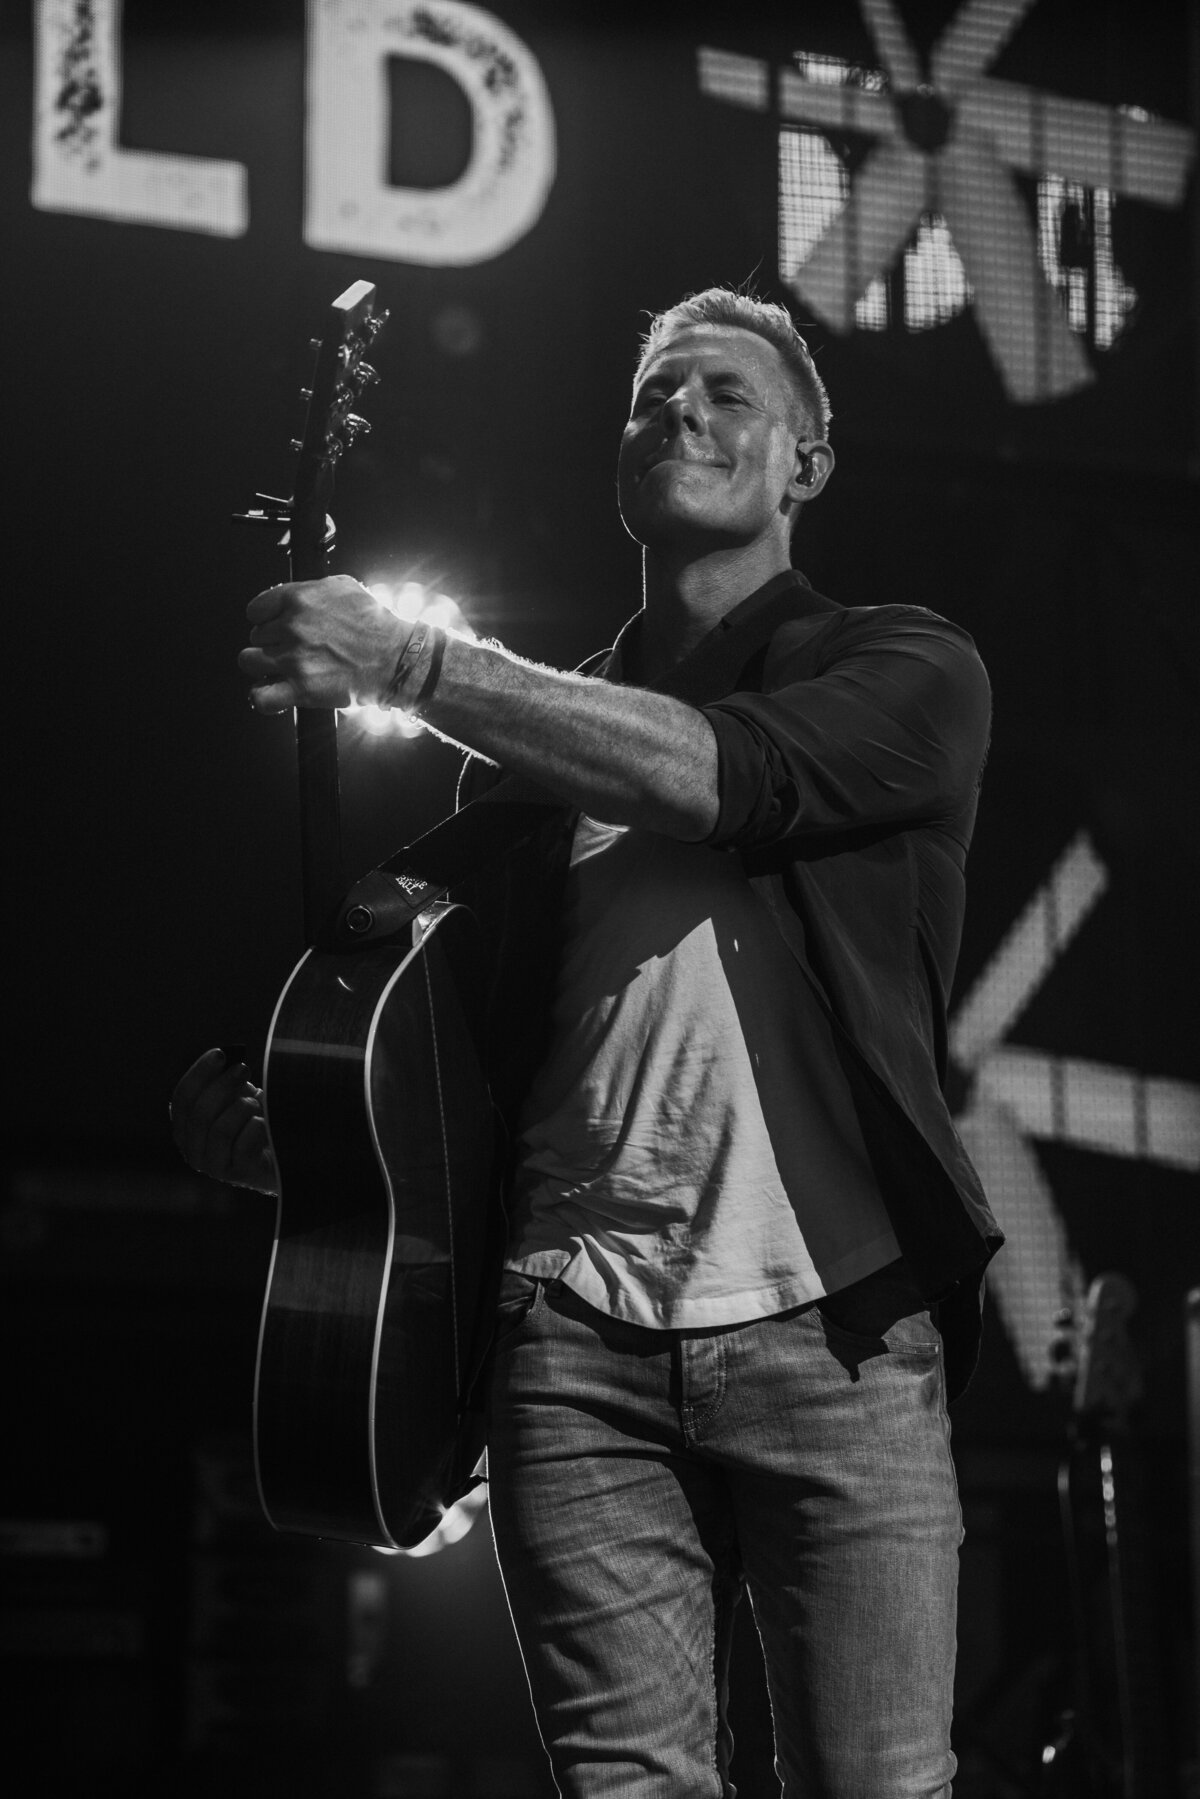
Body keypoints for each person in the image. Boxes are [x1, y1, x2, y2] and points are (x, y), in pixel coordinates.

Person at [172, 287, 1000, 1797]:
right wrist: (303, 1138)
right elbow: (430, 1079)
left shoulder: (906, 671)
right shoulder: (525, 783)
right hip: (572, 1352)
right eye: (652, 396)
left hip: (840, 1335)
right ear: (621, 467)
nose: (679, 411)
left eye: (726, 395)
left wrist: (416, 664)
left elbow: (722, 778)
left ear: (806, 464)